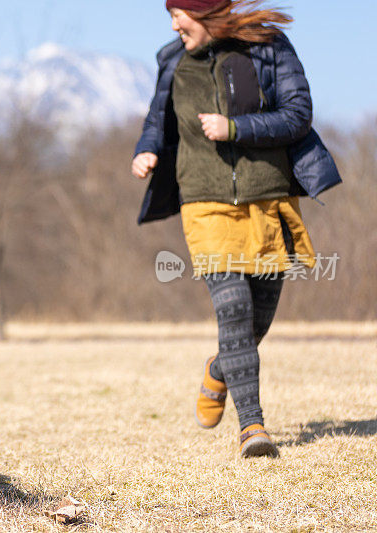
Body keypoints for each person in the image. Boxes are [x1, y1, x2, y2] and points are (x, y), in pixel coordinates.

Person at [132, 0, 341, 458]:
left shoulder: (268, 47)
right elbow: (156, 119)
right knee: (232, 310)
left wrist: (236, 127)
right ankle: (253, 427)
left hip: (268, 198)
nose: (173, 24)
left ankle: (219, 368)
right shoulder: (174, 60)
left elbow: (298, 113)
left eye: (179, 12)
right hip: (204, 203)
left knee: (256, 320)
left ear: (205, 13)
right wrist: (147, 150)